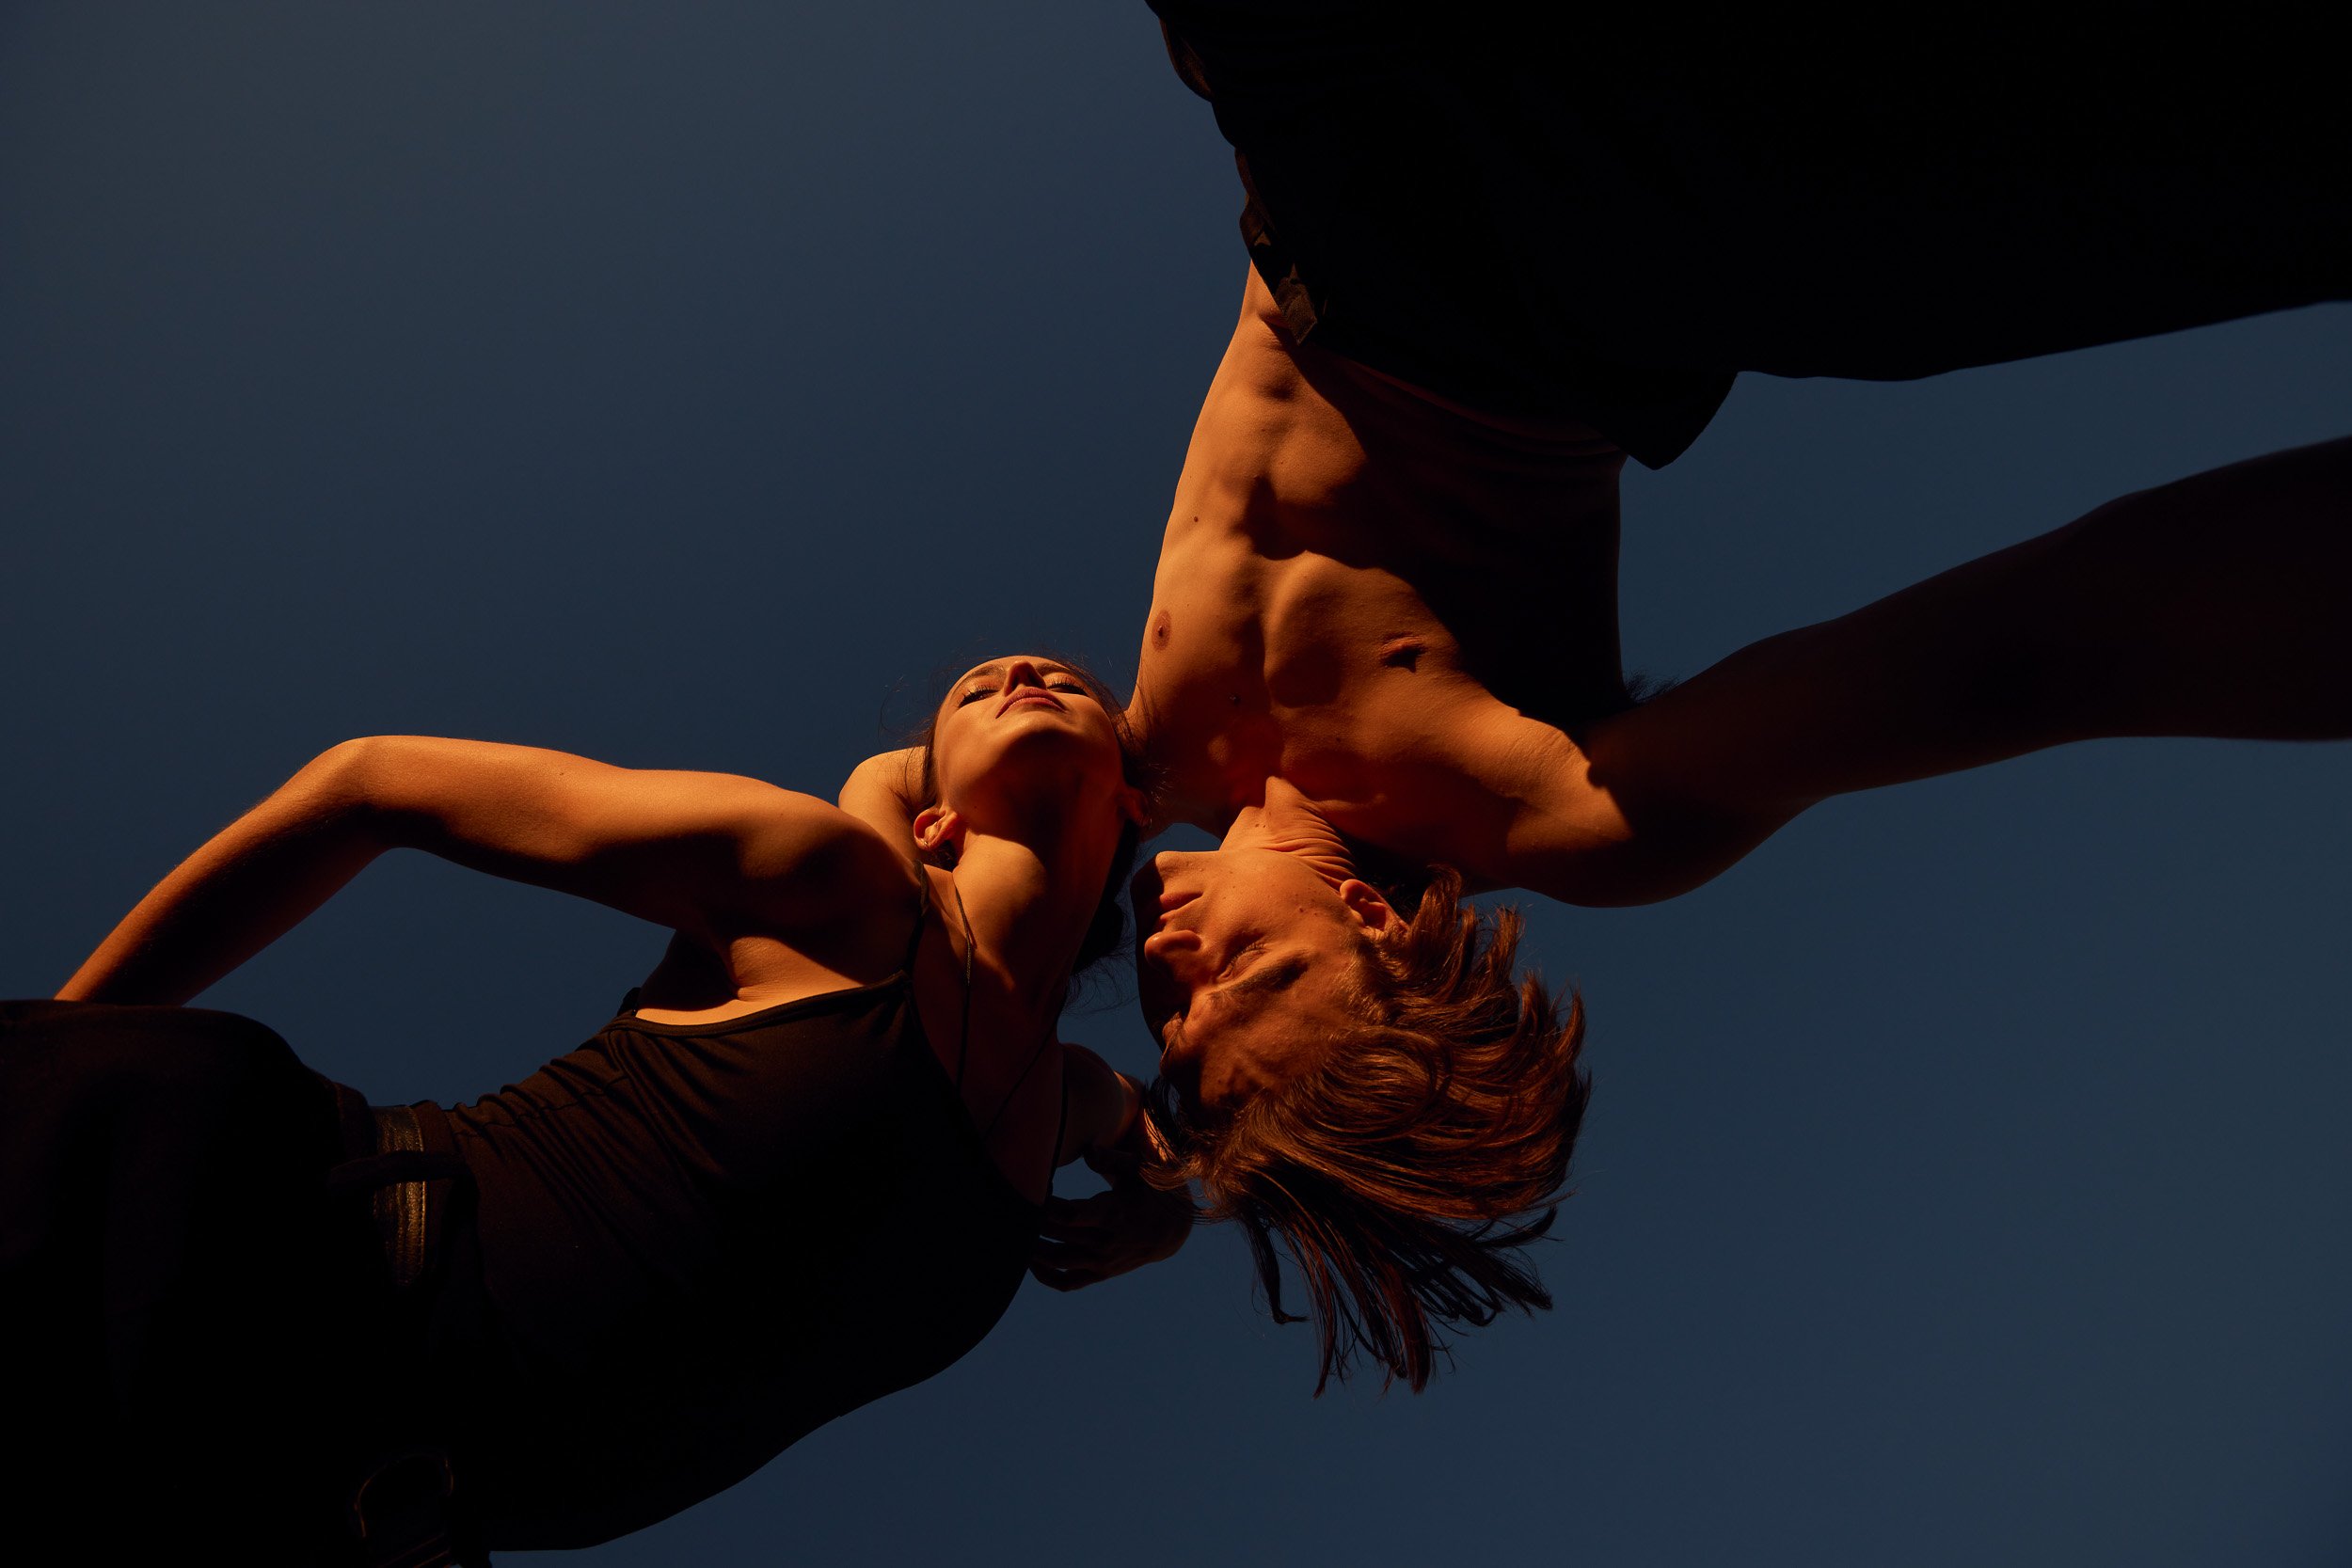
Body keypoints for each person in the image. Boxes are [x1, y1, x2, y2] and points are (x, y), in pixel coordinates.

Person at [1056, 5, 2352, 1389]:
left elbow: (912, 909)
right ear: (1372, 918)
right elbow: (2056, 644)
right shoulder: (1522, 804)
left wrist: (1128, 1138)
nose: (1166, 967)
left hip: (1318, 149)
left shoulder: (1121, 772)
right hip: (1558, 235)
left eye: (1162, 1015)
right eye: (1240, 973)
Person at [5, 656, 1188, 1562]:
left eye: (1065, 680)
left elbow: (1156, 1148)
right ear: (933, 814)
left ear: (1139, 796)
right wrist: (59, 1052)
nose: (1023, 676)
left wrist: (1171, 1207)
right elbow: (370, 782)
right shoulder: (827, 884)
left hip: (301, 1500)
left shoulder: (1060, 1099)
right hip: (216, 1225)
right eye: (978, 689)